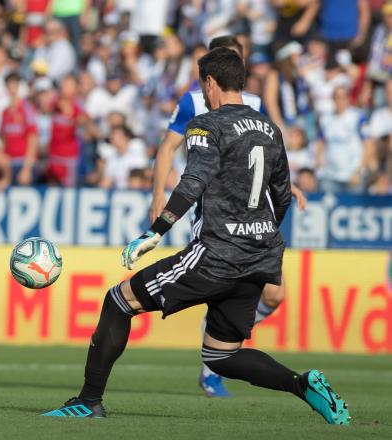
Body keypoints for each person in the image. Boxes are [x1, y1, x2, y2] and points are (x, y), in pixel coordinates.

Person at [43, 47, 351, 426]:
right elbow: (283, 195)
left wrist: (156, 231)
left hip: (216, 255)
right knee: (221, 355)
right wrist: (259, 237)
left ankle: (88, 402)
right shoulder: (269, 128)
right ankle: (302, 385)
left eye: (202, 85)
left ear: (210, 82)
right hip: (259, 257)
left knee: (118, 301)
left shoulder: (208, 124)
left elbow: (194, 180)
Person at [149, 35, 307, 397]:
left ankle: (219, 345)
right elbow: (168, 148)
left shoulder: (253, 102)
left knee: (275, 296)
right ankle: (213, 365)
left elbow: (265, 151)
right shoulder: (192, 101)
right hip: (216, 215)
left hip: (253, 214)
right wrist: (159, 193)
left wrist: (288, 184)